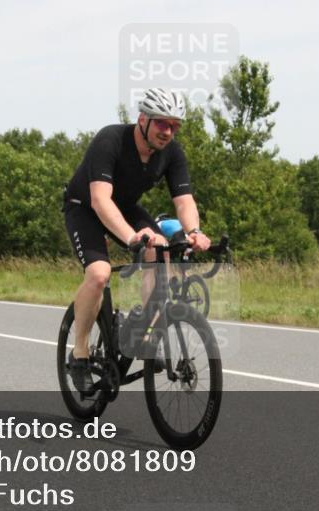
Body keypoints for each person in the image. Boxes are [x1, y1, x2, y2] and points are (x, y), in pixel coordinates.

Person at [62, 88, 211, 391]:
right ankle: (79, 353)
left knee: (160, 251)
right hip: (85, 208)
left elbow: (184, 200)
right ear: (143, 119)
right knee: (99, 274)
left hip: (126, 207)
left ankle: (145, 332)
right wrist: (132, 237)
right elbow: (100, 200)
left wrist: (194, 232)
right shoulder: (111, 140)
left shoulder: (172, 153)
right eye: (161, 123)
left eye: (174, 125)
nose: (168, 131)